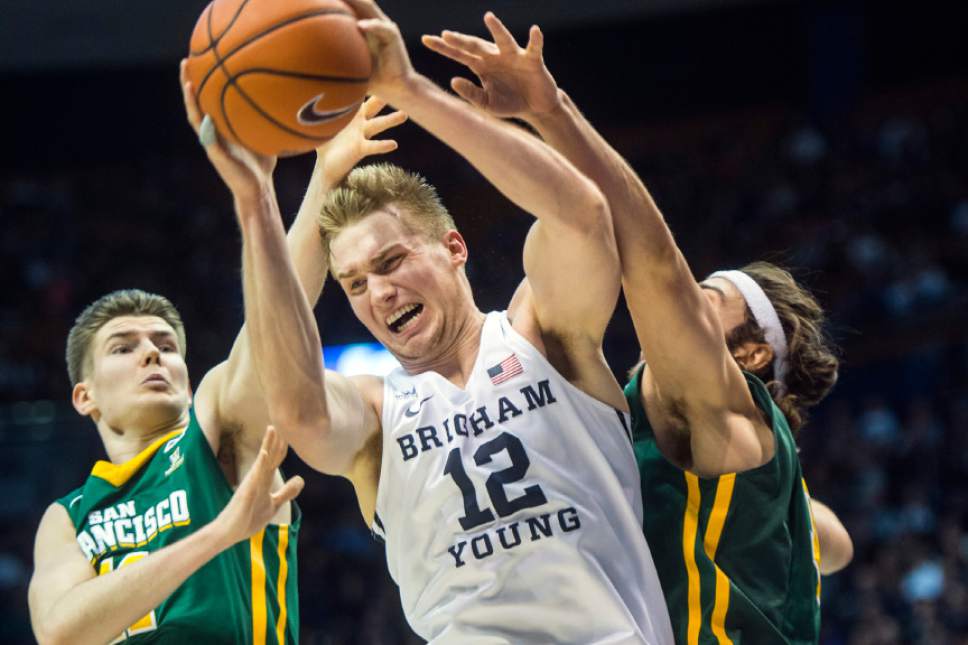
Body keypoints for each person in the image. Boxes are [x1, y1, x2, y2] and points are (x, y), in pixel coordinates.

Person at [422, 13, 853, 644]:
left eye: (705, 299)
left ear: (752, 354)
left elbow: (651, 262)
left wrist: (551, 110)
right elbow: (835, 545)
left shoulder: (714, 405)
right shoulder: (720, 456)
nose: (679, 306)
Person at [265, 0, 675, 642]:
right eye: (354, 284)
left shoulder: (541, 333)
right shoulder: (376, 414)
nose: (378, 291)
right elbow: (285, 394)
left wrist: (411, 92)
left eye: (392, 260)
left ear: (454, 248)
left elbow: (582, 216)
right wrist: (318, 187)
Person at [25, 63, 405, 644]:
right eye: (124, 348)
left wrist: (318, 184)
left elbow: (271, 337)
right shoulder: (69, 517)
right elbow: (59, 632)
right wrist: (219, 534)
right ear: (85, 395)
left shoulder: (214, 430)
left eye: (166, 344)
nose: (152, 355)